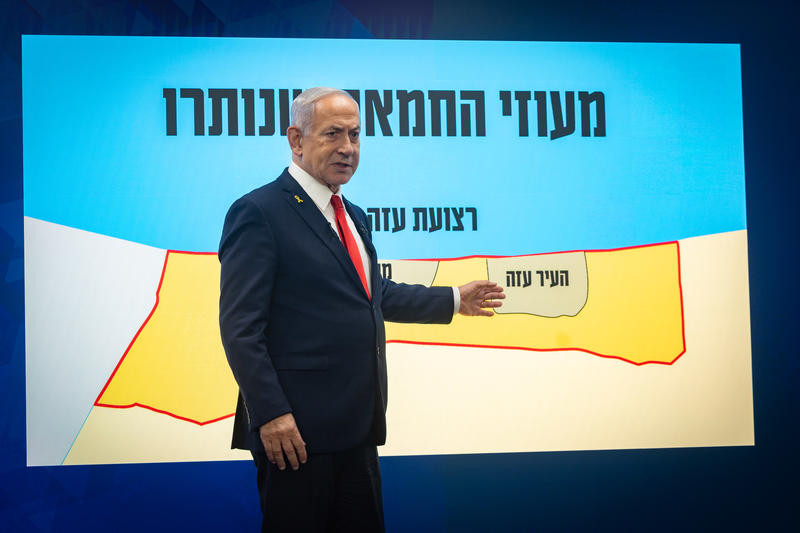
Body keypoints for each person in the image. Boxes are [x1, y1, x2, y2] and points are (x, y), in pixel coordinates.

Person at [219, 87, 504, 532]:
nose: (347, 148)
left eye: (355, 135)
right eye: (333, 134)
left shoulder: (352, 214)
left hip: (356, 427)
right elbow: (240, 329)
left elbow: (372, 294)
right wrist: (271, 413)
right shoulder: (259, 212)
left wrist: (453, 299)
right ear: (296, 139)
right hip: (295, 435)